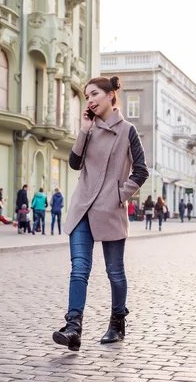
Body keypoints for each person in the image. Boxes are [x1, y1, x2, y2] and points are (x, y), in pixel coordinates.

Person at [52, 75, 149, 351]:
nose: (90, 100)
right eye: (86, 97)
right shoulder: (89, 128)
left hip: (110, 208)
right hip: (82, 206)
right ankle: (73, 328)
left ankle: (117, 323)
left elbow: (141, 170)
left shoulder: (128, 130)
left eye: (94, 94)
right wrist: (83, 130)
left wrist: (119, 195)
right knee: (79, 269)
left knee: (115, 272)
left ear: (110, 96)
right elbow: (74, 163)